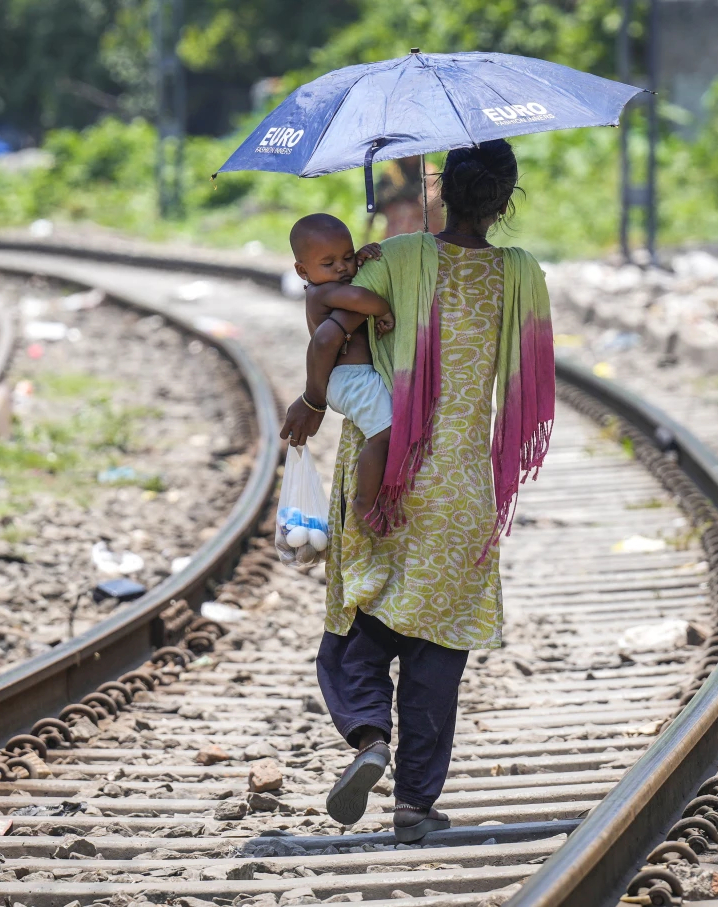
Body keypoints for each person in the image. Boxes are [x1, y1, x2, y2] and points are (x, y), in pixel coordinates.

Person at [279, 139, 556, 842]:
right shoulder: (522, 275)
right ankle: (414, 802)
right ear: (505, 198)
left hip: (388, 472)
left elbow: (334, 324)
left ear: (440, 188)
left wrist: (313, 398)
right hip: (465, 485)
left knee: (359, 622)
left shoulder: (396, 256)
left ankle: (368, 734)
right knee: (438, 653)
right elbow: (527, 384)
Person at [290, 214, 395, 523]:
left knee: (383, 432)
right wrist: (385, 307)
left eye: (347, 257)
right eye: (329, 263)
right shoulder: (322, 293)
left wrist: (361, 261)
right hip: (351, 379)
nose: (342, 268)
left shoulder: (326, 283)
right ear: (302, 270)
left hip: (352, 378)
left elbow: (350, 282)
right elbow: (357, 296)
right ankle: (364, 501)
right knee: (384, 436)